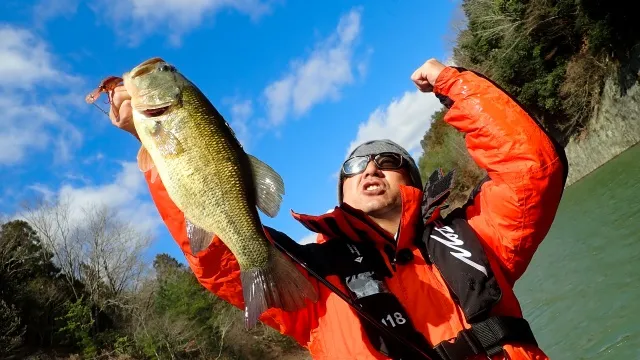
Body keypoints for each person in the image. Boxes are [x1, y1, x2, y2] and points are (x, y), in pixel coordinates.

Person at [108, 58, 568, 359]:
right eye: (356, 166)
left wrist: (456, 87)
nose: (371, 170)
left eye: (388, 162)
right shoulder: (312, 283)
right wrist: (152, 146)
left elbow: (533, 170)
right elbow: (218, 262)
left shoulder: (477, 236)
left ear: (410, 180)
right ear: (343, 190)